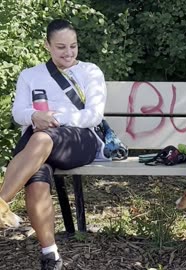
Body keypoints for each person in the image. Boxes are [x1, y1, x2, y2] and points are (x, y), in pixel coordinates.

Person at [0, 19, 107, 270]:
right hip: (39, 143)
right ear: (47, 45)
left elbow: (93, 115)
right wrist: (34, 116)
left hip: (79, 139)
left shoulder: (90, 71)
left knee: (39, 138)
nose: (68, 53)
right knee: (36, 181)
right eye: (61, 47)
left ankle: (1, 201)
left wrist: (55, 119)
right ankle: (51, 255)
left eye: (73, 46)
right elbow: (19, 113)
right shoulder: (30, 75)